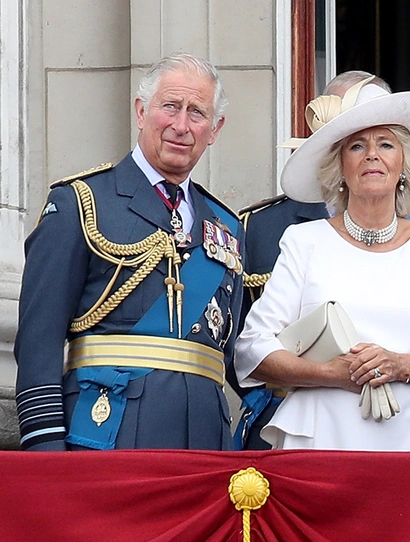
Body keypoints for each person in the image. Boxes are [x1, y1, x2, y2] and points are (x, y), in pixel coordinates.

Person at [228, 71, 410, 450]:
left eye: (386, 144)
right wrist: (331, 373)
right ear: (339, 167)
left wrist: (401, 364)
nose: (372, 155)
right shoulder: (303, 240)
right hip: (322, 439)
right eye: (357, 146)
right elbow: (252, 350)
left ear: (404, 165)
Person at [14, 52, 244, 451]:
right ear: (141, 111)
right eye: (170, 107)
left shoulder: (227, 227)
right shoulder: (82, 202)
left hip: (207, 441)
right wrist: (45, 449)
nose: (181, 125)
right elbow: (39, 338)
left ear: (216, 129)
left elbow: (234, 351)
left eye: (197, 113)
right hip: (107, 435)